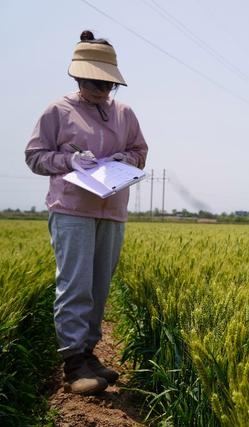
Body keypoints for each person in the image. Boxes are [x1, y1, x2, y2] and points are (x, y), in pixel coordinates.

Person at [25, 30, 148, 394]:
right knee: (75, 284)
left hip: (112, 209)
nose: (102, 91)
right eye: (95, 83)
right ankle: (73, 360)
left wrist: (125, 158)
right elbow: (34, 157)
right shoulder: (57, 111)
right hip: (72, 208)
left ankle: (89, 353)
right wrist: (70, 161)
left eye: (108, 86)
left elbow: (140, 151)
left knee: (99, 286)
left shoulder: (125, 114)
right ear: (78, 77)